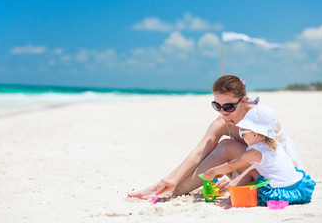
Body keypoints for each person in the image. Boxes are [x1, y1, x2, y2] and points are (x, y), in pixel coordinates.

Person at [128, 75, 304, 199]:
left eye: (228, 106)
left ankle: (175, 191)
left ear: (243, 101)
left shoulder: (261, 119)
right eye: (217, 106)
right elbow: (199, 152)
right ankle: (168, 186)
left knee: (226, 146)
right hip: (254, 166)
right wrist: (170, 179)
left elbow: (280, 159)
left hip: (281, 171)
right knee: (218, 147)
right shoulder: (222, 122)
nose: (222, 112)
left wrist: (233, 176)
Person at [203, 105, 315, 205]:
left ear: (255, 134)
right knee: (260, 169)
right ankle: (229, 187)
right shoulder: (275, 145)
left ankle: (230, 198)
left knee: (252, 172)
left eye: (242, 133)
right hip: (298, 188)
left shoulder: (253, 152)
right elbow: (293, 163)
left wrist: (213, 171)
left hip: (278, 194)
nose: (242, 137)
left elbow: (232, 166)